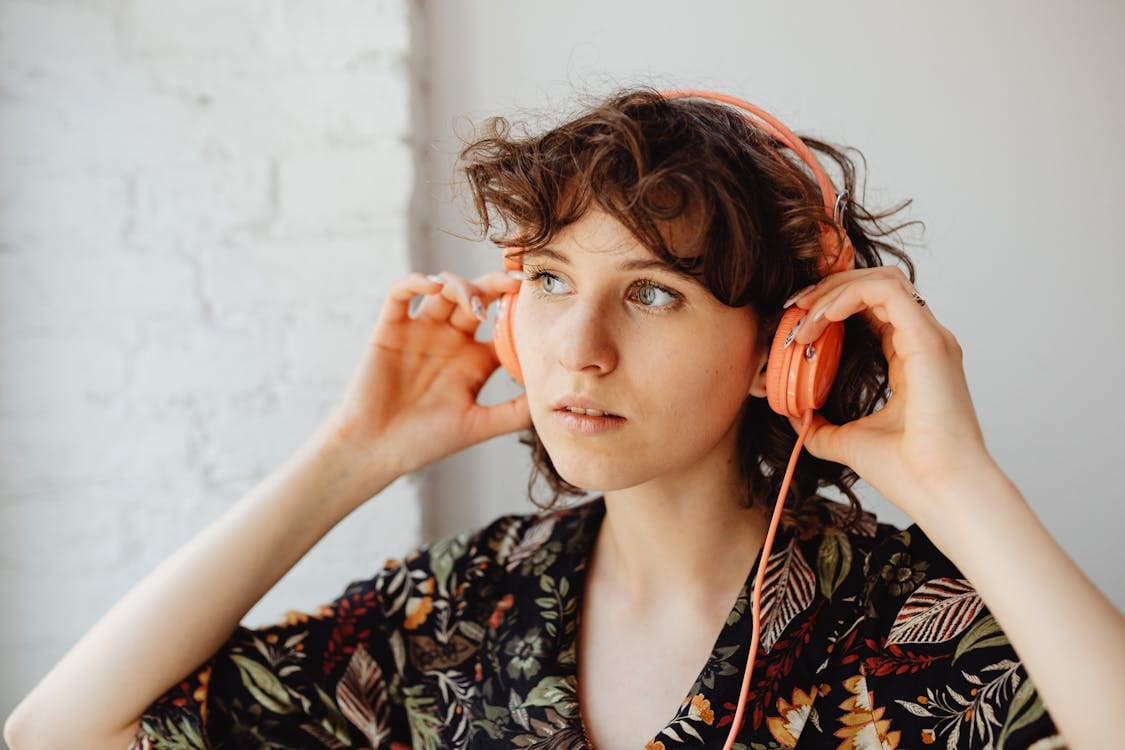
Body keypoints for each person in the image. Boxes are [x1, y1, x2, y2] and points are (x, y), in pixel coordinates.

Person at [5, 87, 1123, 750]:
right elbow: (58, 735)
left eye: (651, 293)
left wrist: (961, 485)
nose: (576, 349)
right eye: (546, 279)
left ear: (783, 348)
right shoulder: (463, 608)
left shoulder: (900, 626)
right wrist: (350, 458)